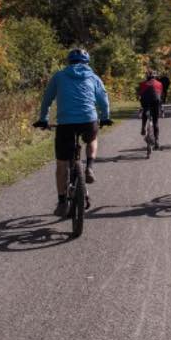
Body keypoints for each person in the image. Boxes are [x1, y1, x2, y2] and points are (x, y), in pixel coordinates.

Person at [34, 48, 112, 217]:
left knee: (62, 163)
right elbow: (103, 100)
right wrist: (105, 117)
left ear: (69, 61)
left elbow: (47, 99)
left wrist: (43, 119)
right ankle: (89, 167)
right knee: (92, 139)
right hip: (88, 120)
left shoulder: (59, 76)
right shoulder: (93, 77)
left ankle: (62, 202)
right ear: (86, 62)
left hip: (66, 123)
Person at [137, 70, 163, 148]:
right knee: (155, 122)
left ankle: (143, 127)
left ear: (147, 76)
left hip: (146, 102)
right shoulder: (159, 84)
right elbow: (160, 95)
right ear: (154, 77)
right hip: (156, 102)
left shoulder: (142, 84)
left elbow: (139, 95)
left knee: (145, 110)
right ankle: (157, 140)